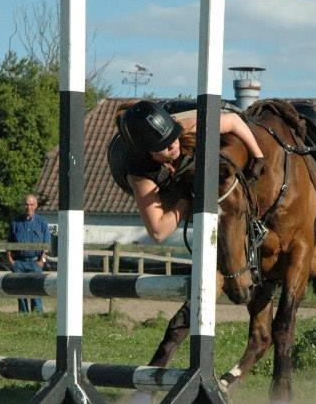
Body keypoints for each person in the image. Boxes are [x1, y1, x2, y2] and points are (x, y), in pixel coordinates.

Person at [112, 100, 265, 372]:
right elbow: (158, 231)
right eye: (164, 147)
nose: (173, 146)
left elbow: (235, 122)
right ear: (149, 152)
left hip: (179, 114)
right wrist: (185, 203)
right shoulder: (141, 174)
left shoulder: (185, 127)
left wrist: (258, 156)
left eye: (172, 140)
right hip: (164, 185)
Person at [6, 193, 51, 313]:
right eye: (26, 204)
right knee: (20, 292)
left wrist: (42, 262)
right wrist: (11, 261)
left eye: (31, 204)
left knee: (36, 290)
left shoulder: (42, 223)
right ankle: (23, 314)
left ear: (35, 206)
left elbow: (47, 247)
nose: (28, 207)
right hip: (19, 263)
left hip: (35, 262)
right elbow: (9, 244)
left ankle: (37, 314)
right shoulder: (15, 223)